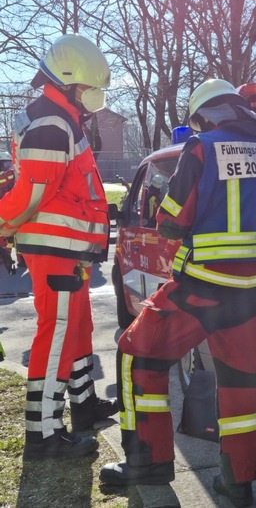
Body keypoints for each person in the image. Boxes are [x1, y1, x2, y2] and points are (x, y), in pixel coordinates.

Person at [100, 79, 256, 508]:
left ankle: (148, 463)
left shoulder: (202, 147)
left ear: (202, 115)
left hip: (204, 288)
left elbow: (172, 221)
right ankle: (238, 483)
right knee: (242, 385)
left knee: (137, 354)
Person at [0, 33, 117, 458]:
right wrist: (2, 224)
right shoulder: (52, 124)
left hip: (68, 249)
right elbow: (31, 194)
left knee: (79, 325)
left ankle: (83, 405)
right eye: (88, 89)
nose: (93, 97)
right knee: (57, 333)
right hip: (56, 249)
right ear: (68, 83)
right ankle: (43, 434)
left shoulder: (62, 120)